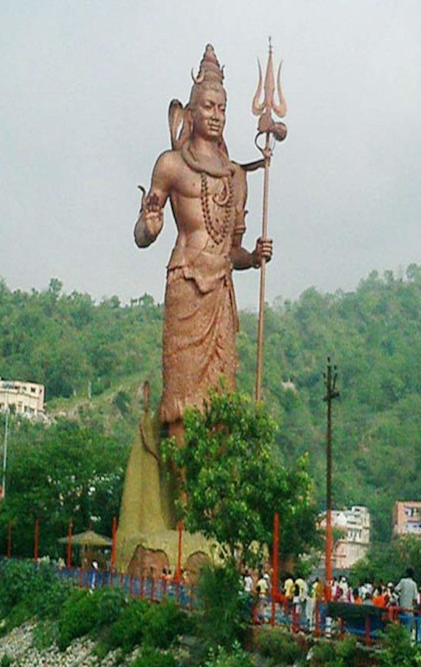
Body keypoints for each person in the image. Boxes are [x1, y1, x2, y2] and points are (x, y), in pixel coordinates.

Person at [134, 44, 273, 436]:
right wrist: (150, 223)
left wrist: (255, 257)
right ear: (191, 114)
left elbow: (233, 251)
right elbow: (142, 235)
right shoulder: (171, 165)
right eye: (209, 107)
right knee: (181, 402)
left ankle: (213, 495)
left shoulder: (235, 176)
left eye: (222, 108)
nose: (216, 116)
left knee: (220, 403)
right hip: (186, 284)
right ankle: (180, 492)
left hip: (220, 293)